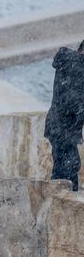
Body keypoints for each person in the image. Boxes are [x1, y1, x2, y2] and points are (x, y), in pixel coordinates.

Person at [45, 40, 84, 191]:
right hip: (64, 129)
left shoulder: (67, 62)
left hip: (57, 126)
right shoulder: (77, 68)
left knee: (63, 167)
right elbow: (74, 102)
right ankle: (63, 202)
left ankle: (60, 198)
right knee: (69, 167)